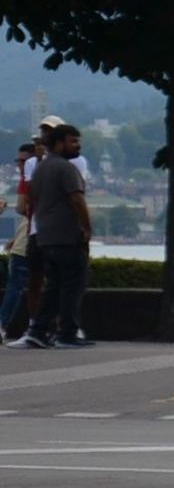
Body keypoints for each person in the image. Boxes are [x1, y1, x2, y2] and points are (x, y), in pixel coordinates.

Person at [24, 122, 92, 349]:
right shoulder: (66, 168)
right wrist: (87, 227)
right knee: (73, 284)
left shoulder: (40, 168)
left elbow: (31, 200)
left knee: (53, 286)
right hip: (67, 236)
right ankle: (67, 333)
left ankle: (39, 330)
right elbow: (77, 199)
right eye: (72, 141)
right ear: (59, 143)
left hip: (46, 236)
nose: (77, 146)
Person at [0, 139, 35, 340]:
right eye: (18, 161)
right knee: (18, 287)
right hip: (24, 245)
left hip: (26, 244)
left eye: (23, 161)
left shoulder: (30, 180)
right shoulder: (26, 181)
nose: (20, 166)